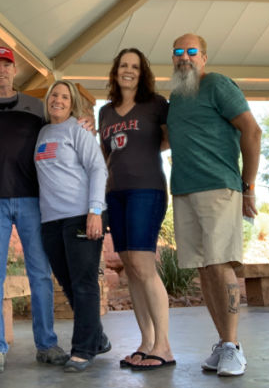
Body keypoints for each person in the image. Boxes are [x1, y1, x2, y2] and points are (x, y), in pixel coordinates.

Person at [0, 46, 80, 373]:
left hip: (33, 200)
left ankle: (46, 344)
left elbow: (60, 126)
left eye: (6, 65)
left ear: (14, 70)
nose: (1, 70)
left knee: (41, 275)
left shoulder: (36, 107)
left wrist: (82, 124)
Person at [167, 33, 261, 377]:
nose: (184, 57)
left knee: (221, 264)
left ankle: (234, 347)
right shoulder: (176, 97)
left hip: (219, 187)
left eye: (192, 51)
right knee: (205, 269)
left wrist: (247, 186)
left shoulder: (218, 85)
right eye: (178, 52)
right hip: (184, 191)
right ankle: (223, 344)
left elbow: (252, 131)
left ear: (204, 57)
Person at [98, 48, 175, 370]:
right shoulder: (105, 112)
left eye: (135, 66)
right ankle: (146, 342)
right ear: (116, 71)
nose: (128, 70)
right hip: (116, 193)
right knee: (131, 267)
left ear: (142, 73)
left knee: (144, 264)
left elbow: (170, 138)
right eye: (123, 66)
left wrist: (144, 150)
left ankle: (165, 346)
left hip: (148, 190)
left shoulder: (156, 104)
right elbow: (105, 154)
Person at [35, 80, 110, 373]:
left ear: (72, 103)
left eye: (65, 96)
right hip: (51, 221)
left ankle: (83, 349)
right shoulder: (42, 132)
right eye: (54, 94)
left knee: (84, 282)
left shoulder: (78, 130)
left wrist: (95, 211)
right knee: (68, 282)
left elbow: (98, 168)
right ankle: (98, 337)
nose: (58, 100)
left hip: (81, 216)